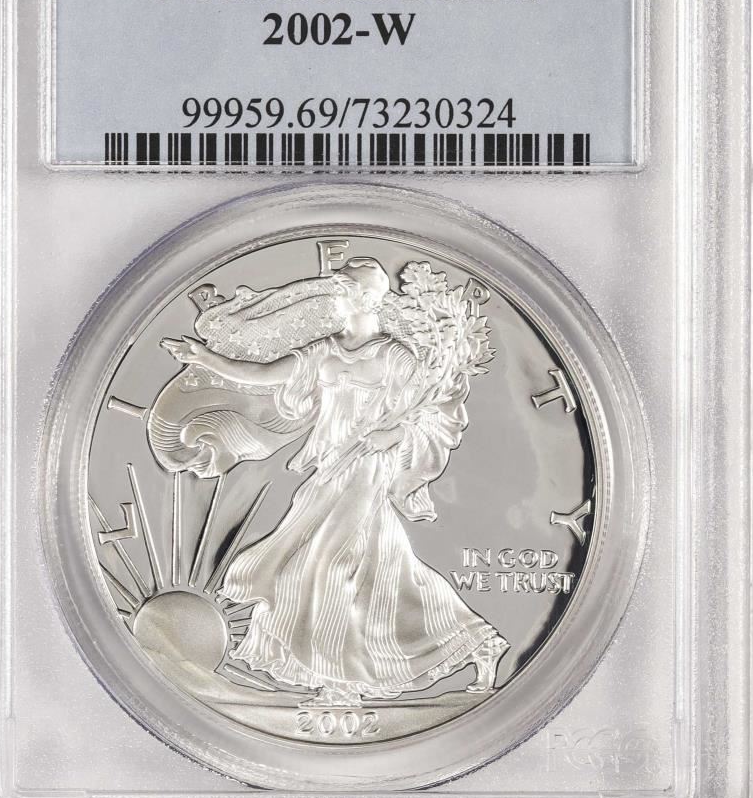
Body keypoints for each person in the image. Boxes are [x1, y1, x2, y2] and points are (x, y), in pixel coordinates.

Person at [157, 258, 505, 707]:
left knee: (328, 561)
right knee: (381, 568)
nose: (336, 297)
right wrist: (205, 358)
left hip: (368, 467)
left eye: (345, 290)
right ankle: (478, 642)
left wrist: (393, 434)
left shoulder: (396, 357)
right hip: (331, 467)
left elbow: (430, 413)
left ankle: (340, 678)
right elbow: (262, 375)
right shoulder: (323, 350)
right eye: (339, 289)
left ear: (367, 298)